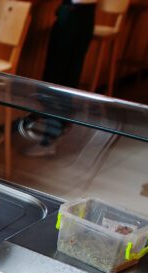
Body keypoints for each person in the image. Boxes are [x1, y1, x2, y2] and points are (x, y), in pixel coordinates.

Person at [19, 0, 97, 156]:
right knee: (61, 77)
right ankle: (53, 133)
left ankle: (50, 138)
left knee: (58, 79)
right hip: (79, 14)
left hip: (77, 14)